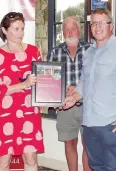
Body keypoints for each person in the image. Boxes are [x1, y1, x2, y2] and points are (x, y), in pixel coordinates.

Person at [64, 8, 116, 171]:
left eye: (102, 22)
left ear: (111, 26)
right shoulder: (89, 53)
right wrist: (74, 97)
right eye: (94, 23)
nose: (97, 27)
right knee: (96, 166)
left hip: (112, 124)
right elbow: (84, 82)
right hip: (89, 123)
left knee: (114, 168)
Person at [0, 12, 44, 171]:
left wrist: (53, 94)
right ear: (4, 30)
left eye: (22, 29)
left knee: (31, 159)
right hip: (5, 115)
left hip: (29, 113)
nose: (20, 33)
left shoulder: (34, 52)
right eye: (16, 29)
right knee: (3, 161)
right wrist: (23, 84)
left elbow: (43, 80)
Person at [47, 16, 92, 171]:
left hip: (89, 105)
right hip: (66, 106)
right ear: (62, 31)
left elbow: (97, 76)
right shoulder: (55, 52)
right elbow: (49, 79)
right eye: (66, 29)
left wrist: (77, 88)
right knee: (69, 143)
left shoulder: (91, 49)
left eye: (73, 28)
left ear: (79, 30)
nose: (70, 32)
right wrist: (62, 91)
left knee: (88, 144)